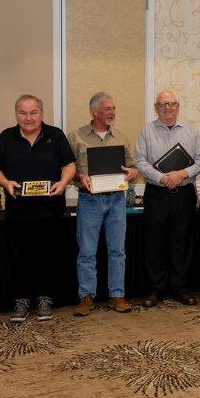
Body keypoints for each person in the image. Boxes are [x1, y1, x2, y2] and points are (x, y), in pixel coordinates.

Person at [0, 94, 76, 322]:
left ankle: (45, 299)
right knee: (19, 257)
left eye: (33, 112)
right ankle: (21, 301)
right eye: (23, 113)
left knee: (49, 256)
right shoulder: (6, 137)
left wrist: (63, 182)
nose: (28, 118)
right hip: (18, 212)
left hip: (51, 211)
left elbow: (69, 165)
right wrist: (5, 183)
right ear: (16, 114)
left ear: (41, 113)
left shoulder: (56, 135)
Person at [67, 92, 138, 316]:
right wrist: (79, 176)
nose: (112, 113)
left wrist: (133, 172)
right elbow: (67, 170)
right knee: (87, 251)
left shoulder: (121, 137)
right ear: (94, 111)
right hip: (89, 200)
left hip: (116, 200)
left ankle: (117, 295)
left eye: (114, 109)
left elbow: (132, 167)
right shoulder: (75, 136)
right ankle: (86, 297)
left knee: (117, 250)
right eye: (108, 109)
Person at [134, 90, 200, 307]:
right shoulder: (146, 130)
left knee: (182, 243)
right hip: (156, 194)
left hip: (183, 195)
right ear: (156, 107)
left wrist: (181, 174)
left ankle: (180, 288)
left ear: (177, 106)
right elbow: (140, 161)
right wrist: (163, 178)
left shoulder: (190, 131)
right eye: (163, 104)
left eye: (171, 104)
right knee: (155, 243)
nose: (167, 108)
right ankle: (156, 289)